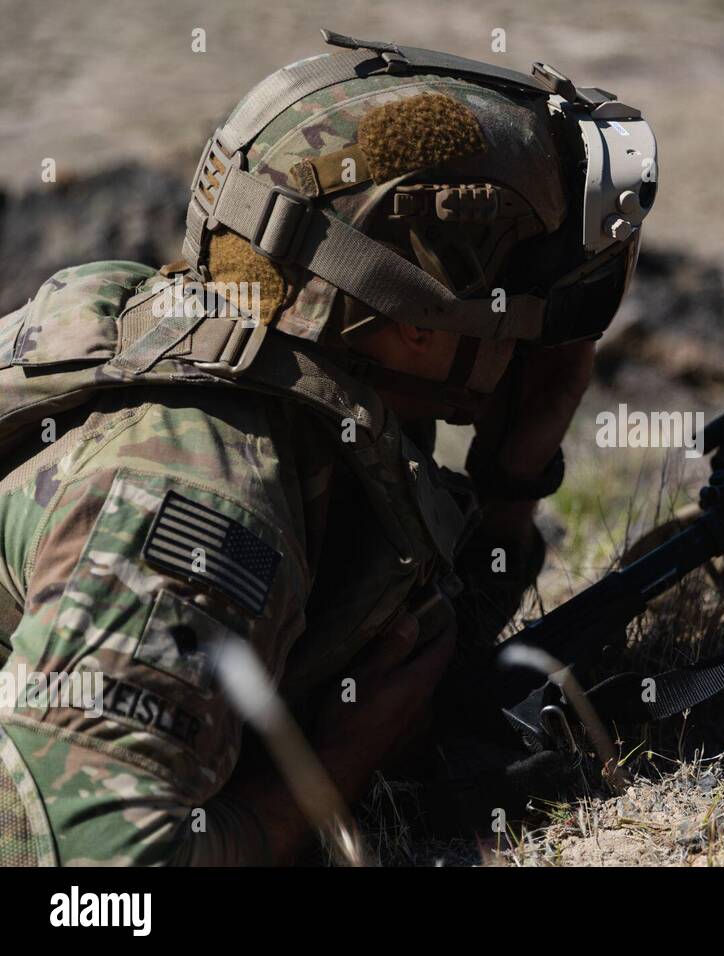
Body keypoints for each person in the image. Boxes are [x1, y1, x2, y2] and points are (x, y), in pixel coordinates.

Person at [0, 31, 655, 865]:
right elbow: (91, 877)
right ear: (415, 321)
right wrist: (330, 774)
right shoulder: (201, 496)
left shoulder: (324, 381)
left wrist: (513, 474)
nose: (558, 329)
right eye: (536, 280)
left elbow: (406, 638)